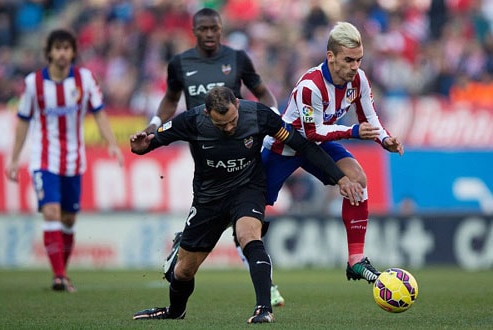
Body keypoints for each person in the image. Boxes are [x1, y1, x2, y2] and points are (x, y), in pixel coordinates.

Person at [130, 86, 363, 323]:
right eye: (222, 125)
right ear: (207, 113)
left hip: (247, 189)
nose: (230, 127)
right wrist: (141, 146)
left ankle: (264, 308)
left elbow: (302, 145)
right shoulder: (191, 120)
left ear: (238, 105)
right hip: (208, 198)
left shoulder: (259, 115)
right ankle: (175, 311)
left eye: (233, 120)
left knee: (249, 235)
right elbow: (152, 140)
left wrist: (340, 178)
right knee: (183, 270)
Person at [144, 7, 284, 307]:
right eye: (203, 29)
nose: (209, 34)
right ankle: (188, 243)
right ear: (194, 31)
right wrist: (155, 126)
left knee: (245, 224)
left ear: (221, 29)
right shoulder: (180, 63)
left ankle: (266, 290)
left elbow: (262, 92)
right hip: (204, 149)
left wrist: (273, 119)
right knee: (218, 212)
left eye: (214, 29)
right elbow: (170, 99)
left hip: (239, 147)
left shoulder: (238, 59)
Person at [262, 21, 404, 283]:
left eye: (359, 59)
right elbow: (312, 132)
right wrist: (352, 132)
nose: (355, 66)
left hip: (318, 142)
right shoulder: (310, 86)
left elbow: (369, 117)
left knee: (358, 181)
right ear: (331, 56)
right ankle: (193, 239)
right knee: (248, 208)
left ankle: (356, 261)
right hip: (286, 146)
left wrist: (385, 140)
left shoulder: (358, 79)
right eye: (349, 60)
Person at [5, 29, 124, 292]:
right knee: (51, 211)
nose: (62, 53)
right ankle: (58, 276)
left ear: (72, 52)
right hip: (44, 160)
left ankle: (63, 272)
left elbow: (100, 114)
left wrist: (113, 144)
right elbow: (23, 122)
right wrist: (14, 159)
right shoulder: (33, 83)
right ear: (49, 52)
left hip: (74, 160)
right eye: (57, 48)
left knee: (69, 219)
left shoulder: (84, 79)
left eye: (66, 48)